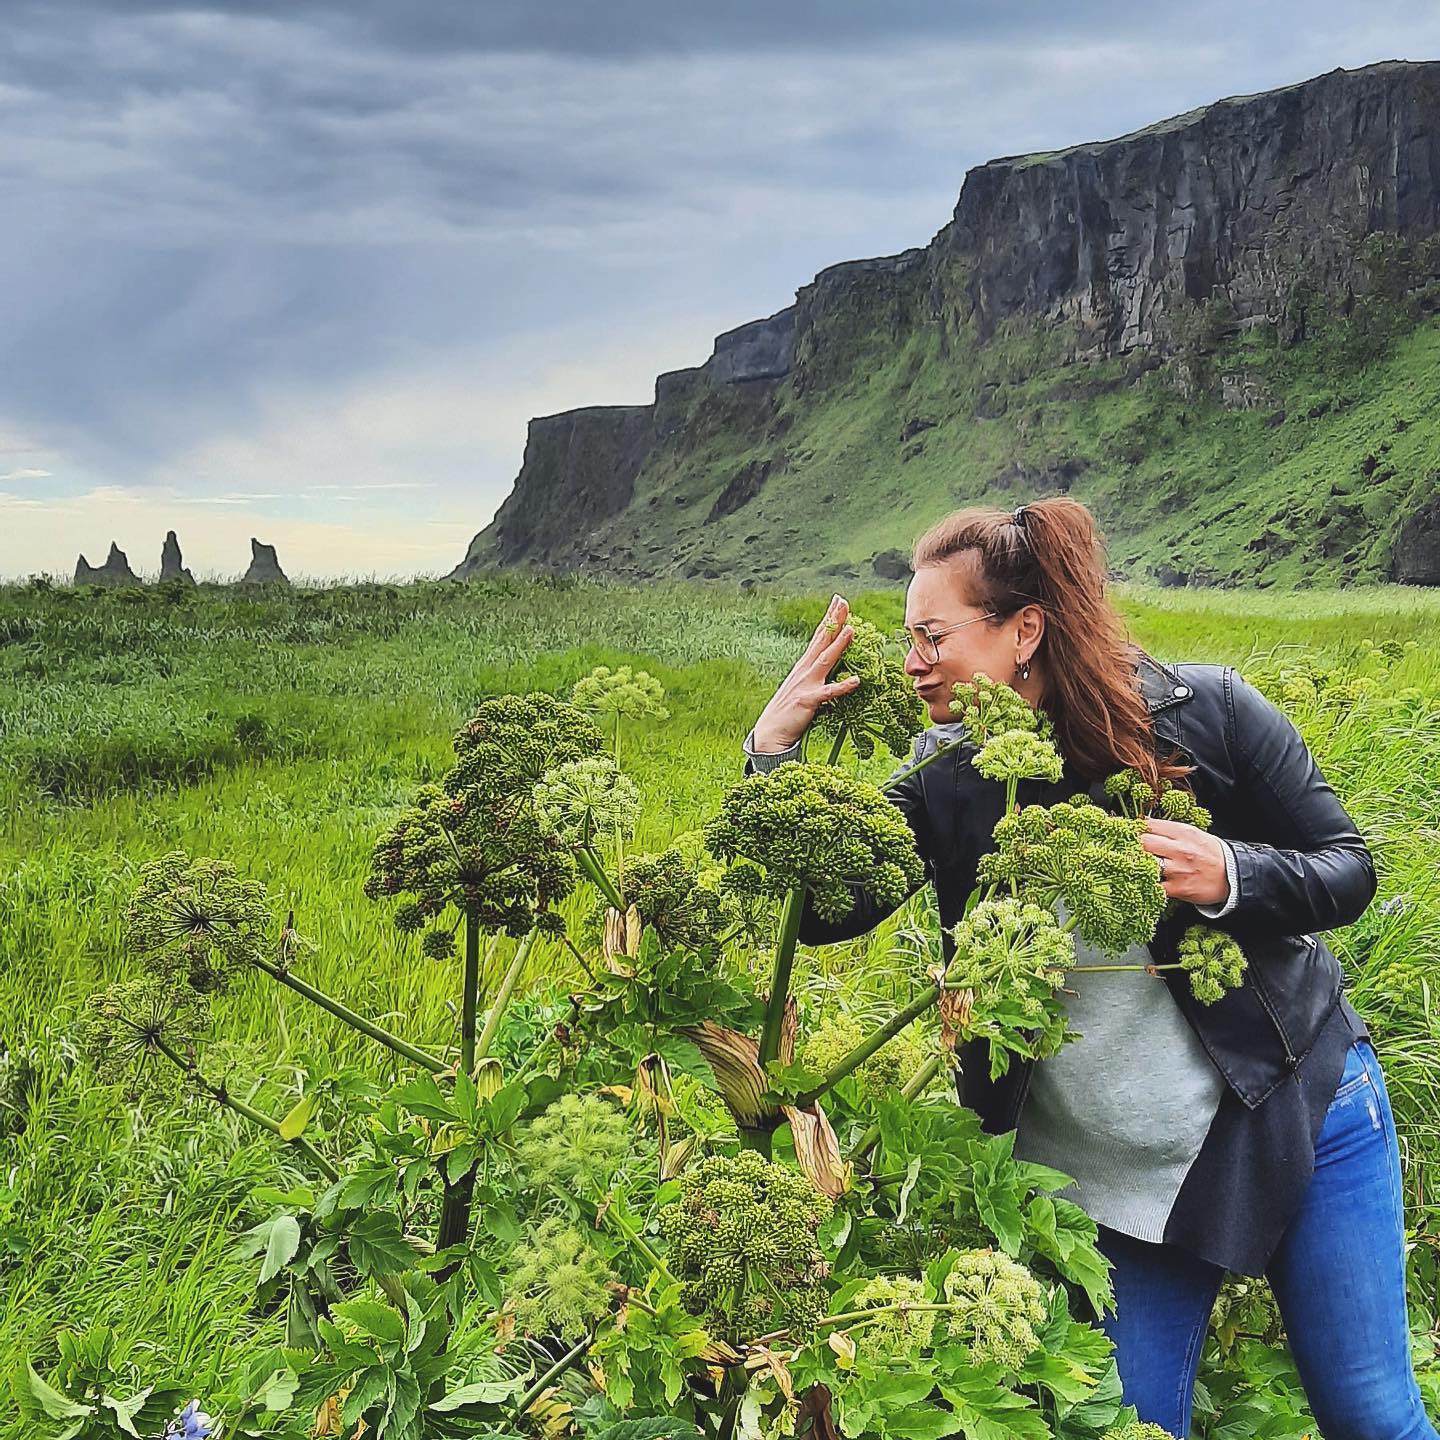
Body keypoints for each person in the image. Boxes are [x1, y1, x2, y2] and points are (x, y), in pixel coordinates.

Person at [742, 498, 1436, 1440]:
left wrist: (1229, 873)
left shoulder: (1206, 715)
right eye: (908, 639)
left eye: (932, 636)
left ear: (1024, 630)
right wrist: (772, 756)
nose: (911, 664)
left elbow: (1348, 868)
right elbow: (827, 911)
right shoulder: (949, 782)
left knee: (1371, 1417)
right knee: (1130, 1428)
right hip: (1115, 1189)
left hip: (1293, 1108)